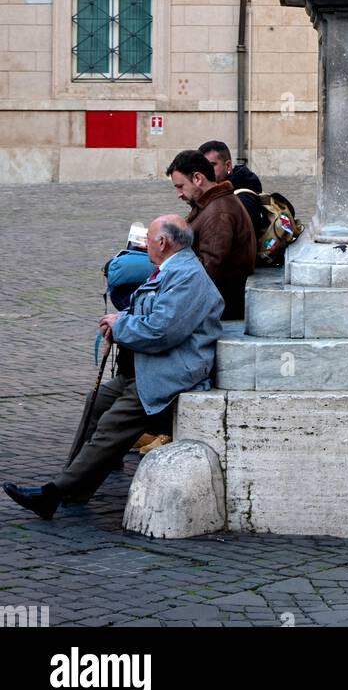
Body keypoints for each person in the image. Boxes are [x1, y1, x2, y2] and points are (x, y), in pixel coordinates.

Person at [2, 216, 223, 521]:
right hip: (149, 367)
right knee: (98, 401)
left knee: (112, 424)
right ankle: (72, 488)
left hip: (171, 372)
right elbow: (146, 310)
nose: (145, 244)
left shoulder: (187, 276)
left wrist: (121, 326)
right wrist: (121, 320)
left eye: (149, 238)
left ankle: (52, 493)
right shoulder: (173, 269)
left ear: (163, 242)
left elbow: (161, 331)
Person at [166, 148, 256, 319]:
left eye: (180, 187)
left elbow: (209, 270)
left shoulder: (218, 213)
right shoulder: (211, 204)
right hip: (215, 300)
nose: (178, 194)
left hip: (219, 307)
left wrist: (170, 258)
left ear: (198, 178)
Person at [198, 139, 269, 242]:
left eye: (211, 165)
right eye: (201, 167)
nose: (206, 171)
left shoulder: (242, 198)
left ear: (228, 165)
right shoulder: (217, 193)